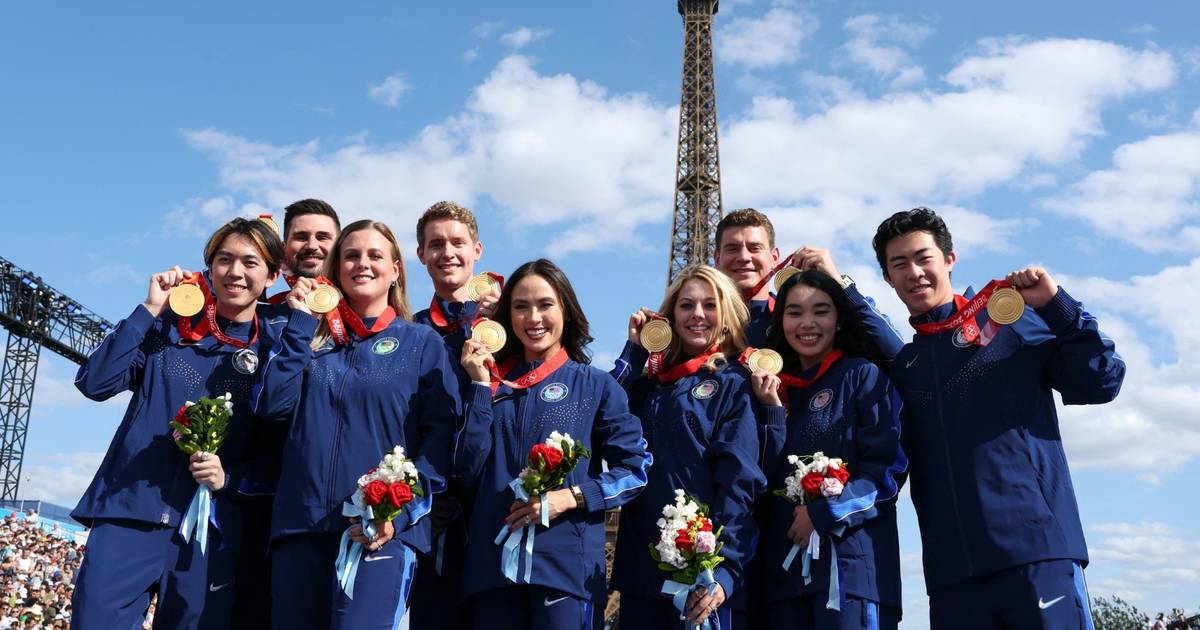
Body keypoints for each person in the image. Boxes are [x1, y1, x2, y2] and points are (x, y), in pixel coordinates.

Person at [872, 207, 1125, 629]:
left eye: (923, 258)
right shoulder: (906, 366)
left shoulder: (1008, 318)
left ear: (950, 260)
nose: (914, 272)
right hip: (952, 575)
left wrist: (1056, 305)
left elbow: (1103, 382)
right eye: (899, 264)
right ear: (887, 278)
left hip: (1037, 554)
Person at [71, 218, 286, 629]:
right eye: (224, 260)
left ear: (272, 276)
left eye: (250, 262)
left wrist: (231, 479)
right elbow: (95, 383)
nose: (235, 272)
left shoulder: (277, 352)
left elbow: (282, 452)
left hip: (210, 530)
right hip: (129, 511)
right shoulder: (166, 326)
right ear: (209, 267)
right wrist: (149, 308)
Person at [253, 219, 460, 630]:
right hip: (301, 529)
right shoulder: (309, 340)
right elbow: (271, 405)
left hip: (379, 531)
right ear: (335, 268)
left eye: (374, 255)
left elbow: (441, 442)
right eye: (350, 255)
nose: (361, 264)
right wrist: (298, 325)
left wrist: (398, 515)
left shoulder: (422, 343)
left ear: (396, 269)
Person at [455, 258, 652, 630]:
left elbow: (636, 469)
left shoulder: (595, 385)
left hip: (565, 571)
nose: (533, 318)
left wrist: (572, 497)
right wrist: (479, 388)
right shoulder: (490, 387)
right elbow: (466, 471)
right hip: (492, 573)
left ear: (566, 309)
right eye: (520, 306)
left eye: (545, 304)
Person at [749, 269, 907, 629]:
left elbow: (887, 472)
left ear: (838, 320)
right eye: (794, 312)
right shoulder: (772, 392)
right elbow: (760, 482)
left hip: (849, 573)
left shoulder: (862, 376)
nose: (807, 323)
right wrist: (772, 410)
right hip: (783, 584)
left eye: (821, 311)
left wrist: (824, 514)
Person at [612, 265, 763, 630]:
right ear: (671, 316)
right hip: (641, 571)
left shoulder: (733, 384)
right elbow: (603, 417)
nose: (697, 314)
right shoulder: (649, 385)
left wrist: (723, 569)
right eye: (686, 305)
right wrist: (634, 349)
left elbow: (739, 482)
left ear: (725, 316)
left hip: (702, 574)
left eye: (710, 305)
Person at [614, 208, 900, 385]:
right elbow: (613, 401)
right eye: (733, 248)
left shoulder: (801, 322)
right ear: (716, 258)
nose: (744, 257)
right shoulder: (688, 328)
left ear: (774, 256)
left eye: (754, 247)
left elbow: (895, 356)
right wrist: (637, 349)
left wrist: (839, 284)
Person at [409, 201, 500, 629]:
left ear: (477, 250)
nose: (448, 252)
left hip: (497, 503)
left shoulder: (510, 327)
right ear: (420, 254)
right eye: (436, 244)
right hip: (431, 512)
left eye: (457, 242)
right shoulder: (407, 333)